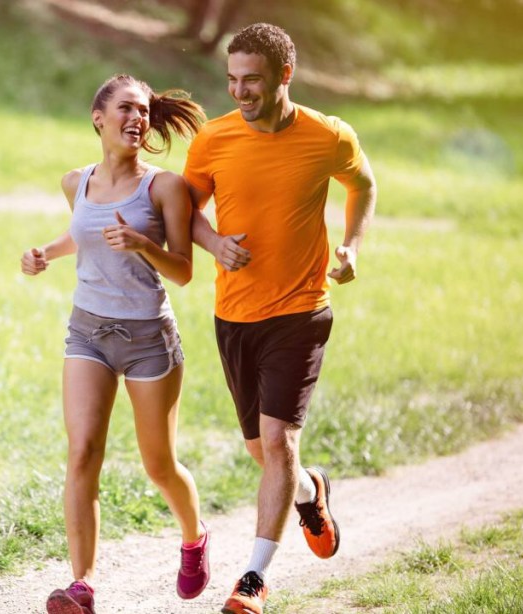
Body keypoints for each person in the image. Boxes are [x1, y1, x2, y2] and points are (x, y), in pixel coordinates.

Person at [183, 23, 378, 614]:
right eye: (233, 80)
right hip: (234, 313)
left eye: (253, 81)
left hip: (301, 310)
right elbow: (184, 211)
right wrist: (214, 243)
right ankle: (311, 490)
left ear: (283, 76)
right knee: (261, 452)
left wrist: (351, 247)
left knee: (277, 439)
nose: (241, 92)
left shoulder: (327, 135)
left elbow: (363, 185)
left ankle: (252, 579)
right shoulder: (214, 140)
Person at [21, 74, 208, 614]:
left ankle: (194, 537)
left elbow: (183, 272)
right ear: (98, 117)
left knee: (159, 466)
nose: (138, 119)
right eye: (127, 108)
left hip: (150, 338)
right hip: (88, 331)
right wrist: (44, 253)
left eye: (145, 111)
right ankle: (81, 585)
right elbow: (82, 233)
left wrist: (142, 243)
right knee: (82, 453)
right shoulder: (74, 182)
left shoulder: (164, 187)